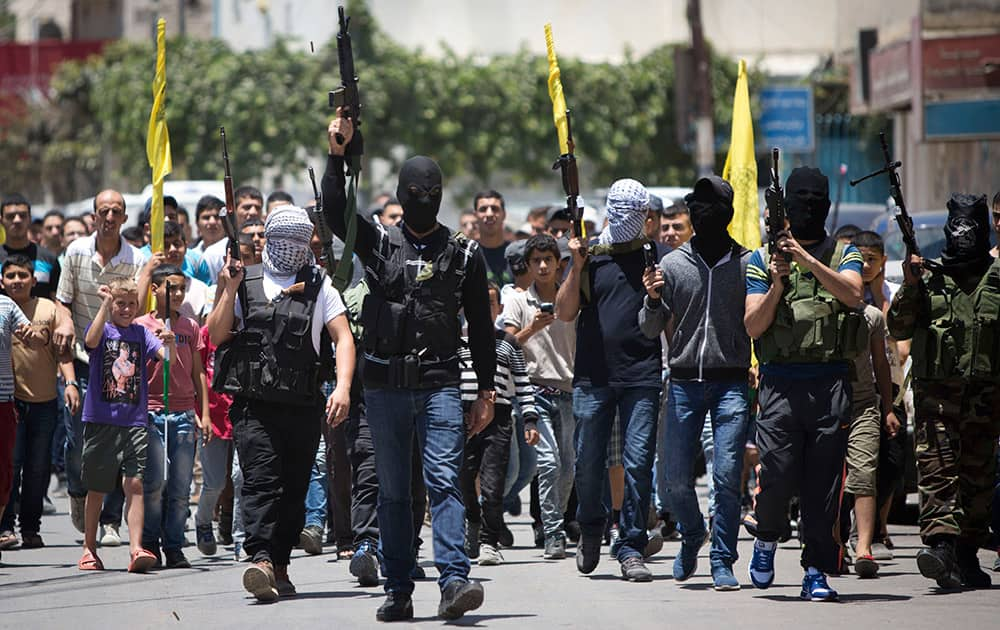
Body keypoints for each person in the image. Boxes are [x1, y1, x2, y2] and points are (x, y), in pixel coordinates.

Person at [323, 111, 495, 622]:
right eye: (416, 190)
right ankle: (398, 589)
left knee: (443, 482)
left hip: (440, 384)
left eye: (433, 190)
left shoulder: (463, 254)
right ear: (400, 194)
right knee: (394, 493)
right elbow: (336, 212)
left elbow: (482, 331)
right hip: (384, 388)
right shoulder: (378, 244)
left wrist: (485, 391)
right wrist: (337, 154)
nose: (425, 198)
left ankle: (454, 580)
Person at [208, 203, 354, 601]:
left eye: (299, 239)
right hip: (254, 406)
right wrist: (229, 287)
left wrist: (341, 388)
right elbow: (217, 334)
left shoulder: (320, 284)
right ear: (267, 239)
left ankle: (281, 564)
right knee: (260, 481)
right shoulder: (246, 280)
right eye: (283, 239)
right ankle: (260, 558)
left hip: (302, 405)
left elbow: (343, 337)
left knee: (293, 488)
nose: (291, 247)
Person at [743, 166, 864, 602]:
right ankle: (767, 538)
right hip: (780, 384)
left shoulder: (844, 253)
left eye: (816, 201)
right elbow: (754, 327)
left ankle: (815, 568)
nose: (809, 208)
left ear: (827, 207)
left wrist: (806, 260)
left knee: (824, 485)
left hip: (829, 382)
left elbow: (853, 294)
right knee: (775, 475)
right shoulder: (760, 260)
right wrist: (777, 284)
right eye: (800, 201)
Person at [639, 176, 752, 590]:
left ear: (728, 212)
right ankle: (691, 534)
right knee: (672, 482)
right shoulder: (670, 265)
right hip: (683, 383)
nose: (702, 212)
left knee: (725, 475)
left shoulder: (746, 263)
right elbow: (650, 329)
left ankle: (722, 559)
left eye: (711, 205)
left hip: (731, 385)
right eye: (696, 205)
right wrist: (652, 299)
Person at [887, 193, 1000, 590]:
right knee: (936, 474)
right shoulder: (929, 277)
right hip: (937, 399)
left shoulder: (997, 278)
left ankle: (966, 555)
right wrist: (911, 285)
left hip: (986, 401)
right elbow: (897, 328)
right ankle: (940, 548)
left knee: (978, 480)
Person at [556, 178, 662, 582]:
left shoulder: (654, 256)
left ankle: (631, 544)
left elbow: (659, 323)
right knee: (587, 462)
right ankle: (591, 526)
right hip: (593, 376)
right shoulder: (592, 255)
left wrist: (655, 296)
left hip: (642, 376)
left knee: (637, 464)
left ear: (645, 218)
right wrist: (576, 265)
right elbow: (565, 311)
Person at [56, 190, 149, 542]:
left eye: (117, 212)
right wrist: (64, 322)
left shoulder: (136, 258)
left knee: (118, 442)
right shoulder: (76, 252)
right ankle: (79, 490)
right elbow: (63, 301)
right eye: (103, 211)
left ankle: (110, 519)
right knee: (77, 437)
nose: (110, 217)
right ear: (93, 216)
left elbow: (137, 308)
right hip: (81, 359)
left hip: (118, 364)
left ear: (125, 218)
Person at [78, 278, 172, 573]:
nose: (127, 309)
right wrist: (104, 305)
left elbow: (163, 356)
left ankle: (135, 549)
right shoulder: (104, 330)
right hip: (101, 421)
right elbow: (90, 342)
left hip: (134, 422)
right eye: (121, 303)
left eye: (132, 304)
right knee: (97, 488)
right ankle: (88, 548)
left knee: (134, 483)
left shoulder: (141, 333)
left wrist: (168, 342)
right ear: (112, 303)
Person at [504, 233, 577, 559]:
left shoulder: (571, 297)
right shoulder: (518, 301)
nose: (544, 266)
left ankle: (557, 519)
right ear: (529, 265)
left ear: (559, 263)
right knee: (547, 464)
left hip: (570, 393)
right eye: (537, 261)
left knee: (568, 468)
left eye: (549, 260)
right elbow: (506, 347)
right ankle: (553, 533)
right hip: (534, 393)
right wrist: (532, 327)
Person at [0, 256, 79, 550]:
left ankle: (31, 529)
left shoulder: (48, 308)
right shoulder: (1, 309)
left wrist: (70, 383)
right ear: (2, 281)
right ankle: (5, 528)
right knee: (10, 465)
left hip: (45, 402)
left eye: (23, 275)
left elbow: (64, 352)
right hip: (9, 402)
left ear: (34, 280)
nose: (17, 280)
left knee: (37, 468)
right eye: (11, 275)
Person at [137, 264, 211, 569]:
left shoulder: (190, 327)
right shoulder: (141, 326)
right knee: (154, 484)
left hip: (182, 412)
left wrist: (203, 413)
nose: (178, 294)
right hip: (152, 412)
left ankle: (175, 545)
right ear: (154, 290)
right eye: (171, 288)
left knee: (181, 486)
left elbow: (198, 373)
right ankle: (150, 543)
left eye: (182, 288)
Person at [460, 283, 539, 566]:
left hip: (500, 419)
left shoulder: (508, 343)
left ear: (500, 308)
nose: (483, 307)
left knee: (493, 484)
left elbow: (523, 384)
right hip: (463, 418)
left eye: (490, 302)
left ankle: (489, 542)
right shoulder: (455, 341)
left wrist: (530, 419)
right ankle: (472, 521)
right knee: (465, 479)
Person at [138, 222, 212, 323]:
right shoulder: (144, 285)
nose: (172, 249)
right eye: (166, 245)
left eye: (177, 244)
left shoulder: (201, 290)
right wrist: (147, 273)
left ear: (186, 247)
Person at [0, 194, 62, 299]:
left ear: (29, 219)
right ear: (1, 220)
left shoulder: (48, 259)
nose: (17, 220)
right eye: (11, 216)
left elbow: (57, 301)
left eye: (22, 215)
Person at [201, 186, 264, 284]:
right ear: (233, 210)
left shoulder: (270, 250)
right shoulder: (214, 253)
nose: (253, 212)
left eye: (258, 208)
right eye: (247, 207)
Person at [474, 190, 514, 287]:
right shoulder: (468, 254)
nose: (489, 214)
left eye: (495, 209)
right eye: (483, 209)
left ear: (504, 214)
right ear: (475, 215)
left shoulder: (516, 254)